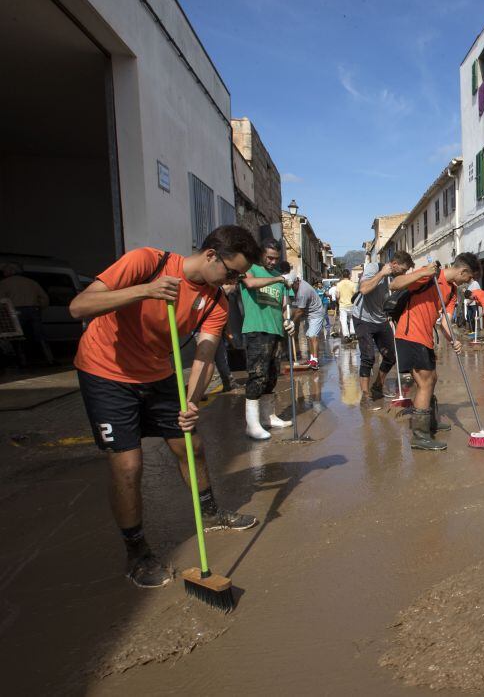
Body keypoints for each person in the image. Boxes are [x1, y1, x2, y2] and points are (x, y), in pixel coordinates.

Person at [67, 225, 262, 588]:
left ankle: (209, 513)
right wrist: (145, 290)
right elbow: (79, 306)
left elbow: (204, 356)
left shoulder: (216, 302)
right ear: (209, 255)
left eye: (239, 275)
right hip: (106, 371)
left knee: (191, 445)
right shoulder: (147, 263)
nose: (233, 281)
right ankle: (136, 551)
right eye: (230, 272)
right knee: (128, 465)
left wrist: (192, 401)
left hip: (157, 373)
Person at [391, 252, 480, 451]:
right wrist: (424, 273)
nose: (468, 282)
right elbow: (395, 284)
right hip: (410, 334)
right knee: (425, 381)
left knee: (433, 377)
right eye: (469, 277)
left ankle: (430, 422)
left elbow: (445, 323)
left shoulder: (451, 291)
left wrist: (453, 340)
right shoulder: (430, 275)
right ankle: (420, 436)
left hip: (425, 338)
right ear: (463, 271)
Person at [239, 240, 297, 440]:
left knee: (272, 375)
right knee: (257, 375)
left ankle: (268, 416)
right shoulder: (250, 269)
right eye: (269, 257)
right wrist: (279, 279)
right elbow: (250, 284)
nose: (272, 262)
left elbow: (284, 305)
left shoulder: (278, 278)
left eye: (276, 258)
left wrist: (289, 321)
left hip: (275, 330)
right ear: (261, 254)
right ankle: (252, 424)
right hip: (257, 329)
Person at [355, 251, 413, 399]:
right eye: (403, 270)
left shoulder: (396, 279)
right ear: (394, 265)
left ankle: (377, 386)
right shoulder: (374, 268)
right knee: (368, 357)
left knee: (391, 356)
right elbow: (363, 289)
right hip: (363, 318)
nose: (404, 273)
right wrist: (382, 274)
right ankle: (366, 394)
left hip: (381, 318)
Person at [0, 262, 55, 366]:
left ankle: (22, 362)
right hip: (34, 311)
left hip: (14, 313)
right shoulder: (32, 282)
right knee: (40, 337)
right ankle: (50, 359)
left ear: (10, 271)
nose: (3, 272)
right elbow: (44, 298)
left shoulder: (4, 283)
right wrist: (38, 308)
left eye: (4, 270)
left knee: (18, 337)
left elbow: (1, 301)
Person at [282, 265, 327, 370]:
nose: (291, 288)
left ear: (297, 281)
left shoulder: (303, 291)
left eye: (292, 286)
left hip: (316, 313)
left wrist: (292, 322)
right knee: (308, 336)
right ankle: (312, 358)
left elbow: (299, 311)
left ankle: (315, 361)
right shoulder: (296, 285)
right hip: (308, 313)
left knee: (313, 335)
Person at [336, 274, 357, 343]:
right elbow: (355, 294)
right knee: (352, 319)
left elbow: (337, 295)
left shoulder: (339, 284)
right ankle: (353, 333)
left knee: (343, 320)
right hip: (351, 304)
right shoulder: (353, 284)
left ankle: (346, 335)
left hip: (342, 305)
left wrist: (338, 301)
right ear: (349, 276)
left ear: (342, 276)